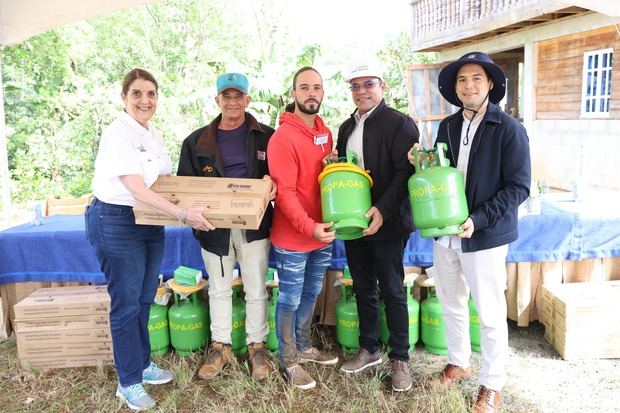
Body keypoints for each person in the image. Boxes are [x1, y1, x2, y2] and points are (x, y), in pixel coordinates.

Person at [409, 52, 531, 413]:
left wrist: (478, 219)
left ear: (490, 84)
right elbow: (443, 175)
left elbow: (519, 187)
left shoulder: (508, 128)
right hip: (445, 234)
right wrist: (422, 161)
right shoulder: (447, 126)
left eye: (476, 78)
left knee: (491, 314)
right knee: (451, 303)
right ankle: (459, 362)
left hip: (483, 236)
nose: (469, 86)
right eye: (462, 80)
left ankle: (492, 385)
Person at [86, 68, 213, 411]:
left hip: (148, 222)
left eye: (151, 94)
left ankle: (142, 365)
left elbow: (165, 181)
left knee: (145, 298)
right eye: (137, 94)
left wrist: (193, 201)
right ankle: (128, 382)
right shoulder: (118, 133)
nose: (145, 100)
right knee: (126, 304)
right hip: (115, 220)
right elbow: (137, 188)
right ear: (124, 98)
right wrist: (184, 215)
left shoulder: (152, 133)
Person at [177, 72, 276, 381]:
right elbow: (184, 187)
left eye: (238, 96)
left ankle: (256, 347)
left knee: (256, 288)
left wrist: (274, 184)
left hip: (254, 228)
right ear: (217, 100)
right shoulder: (196, 142)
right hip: (213, 230)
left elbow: (282, 175)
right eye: (226, 96)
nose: (232, 102)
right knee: (219, 289)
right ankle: (220, 347)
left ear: (248, 100)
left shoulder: (267, 136)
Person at [335, 59, 419, 392]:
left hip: (389, 220)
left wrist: (382, 210)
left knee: (393, 290)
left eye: (368, 84)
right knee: (363, 286)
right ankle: (370, 348)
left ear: (382, 87)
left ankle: (400, 358)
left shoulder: (400, 123)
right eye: (355, 86)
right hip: (355, 222)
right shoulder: (346, 127)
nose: (361, 91)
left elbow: (405, 173)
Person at [266, 67, 338, 390]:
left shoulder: (325, 132)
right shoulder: (282, 139)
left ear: (322, 94)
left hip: (322, 233)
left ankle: (305, 345)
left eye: (317, 88)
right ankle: (289, 359)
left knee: (311, 292)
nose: (312, 93)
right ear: (293, 93)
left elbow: (321, 178)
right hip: (295, 237)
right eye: (304, 87)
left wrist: (332, 163)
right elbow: (286, 194)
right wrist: (310, 228)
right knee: (291, 298)